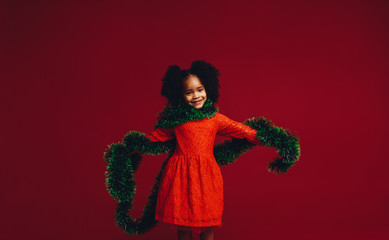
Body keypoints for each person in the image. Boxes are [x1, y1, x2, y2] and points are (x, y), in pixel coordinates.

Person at [145, 60, 263, 240]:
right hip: (180, 177)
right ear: (179, 95)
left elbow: (239, 129)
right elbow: (156, 136)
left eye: (200, 90)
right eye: (189, 92)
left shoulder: (214, 118)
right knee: (183, 227)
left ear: (207, 88)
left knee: (207, 226)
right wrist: (133, 145)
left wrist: (265, 137)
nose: (196, 96)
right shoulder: (177, 120)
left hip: (207, 176)